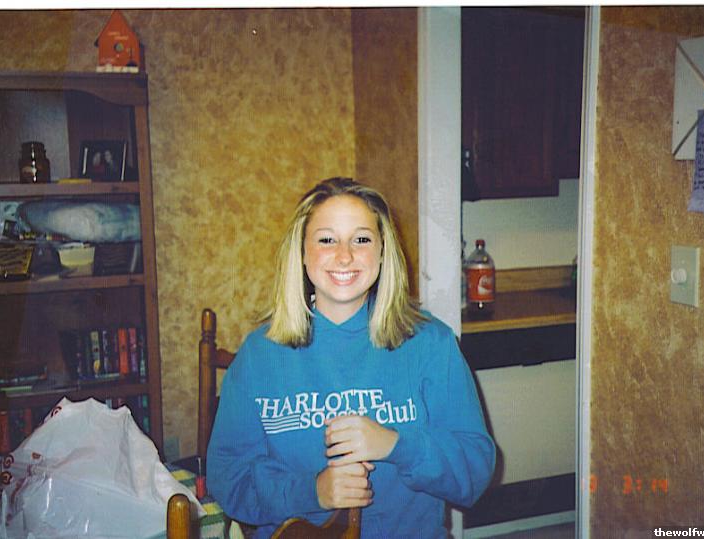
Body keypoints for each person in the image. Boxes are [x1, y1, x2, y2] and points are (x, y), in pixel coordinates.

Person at [207, 177, 495, 538]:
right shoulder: (258, 355)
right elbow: (227, 477)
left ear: (383, 251)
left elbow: (475, 471)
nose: (344, 256)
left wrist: (396, 445)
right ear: (302, 252)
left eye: (361, 239)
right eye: (327, 240)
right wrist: (312, 492)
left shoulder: (431, 344)